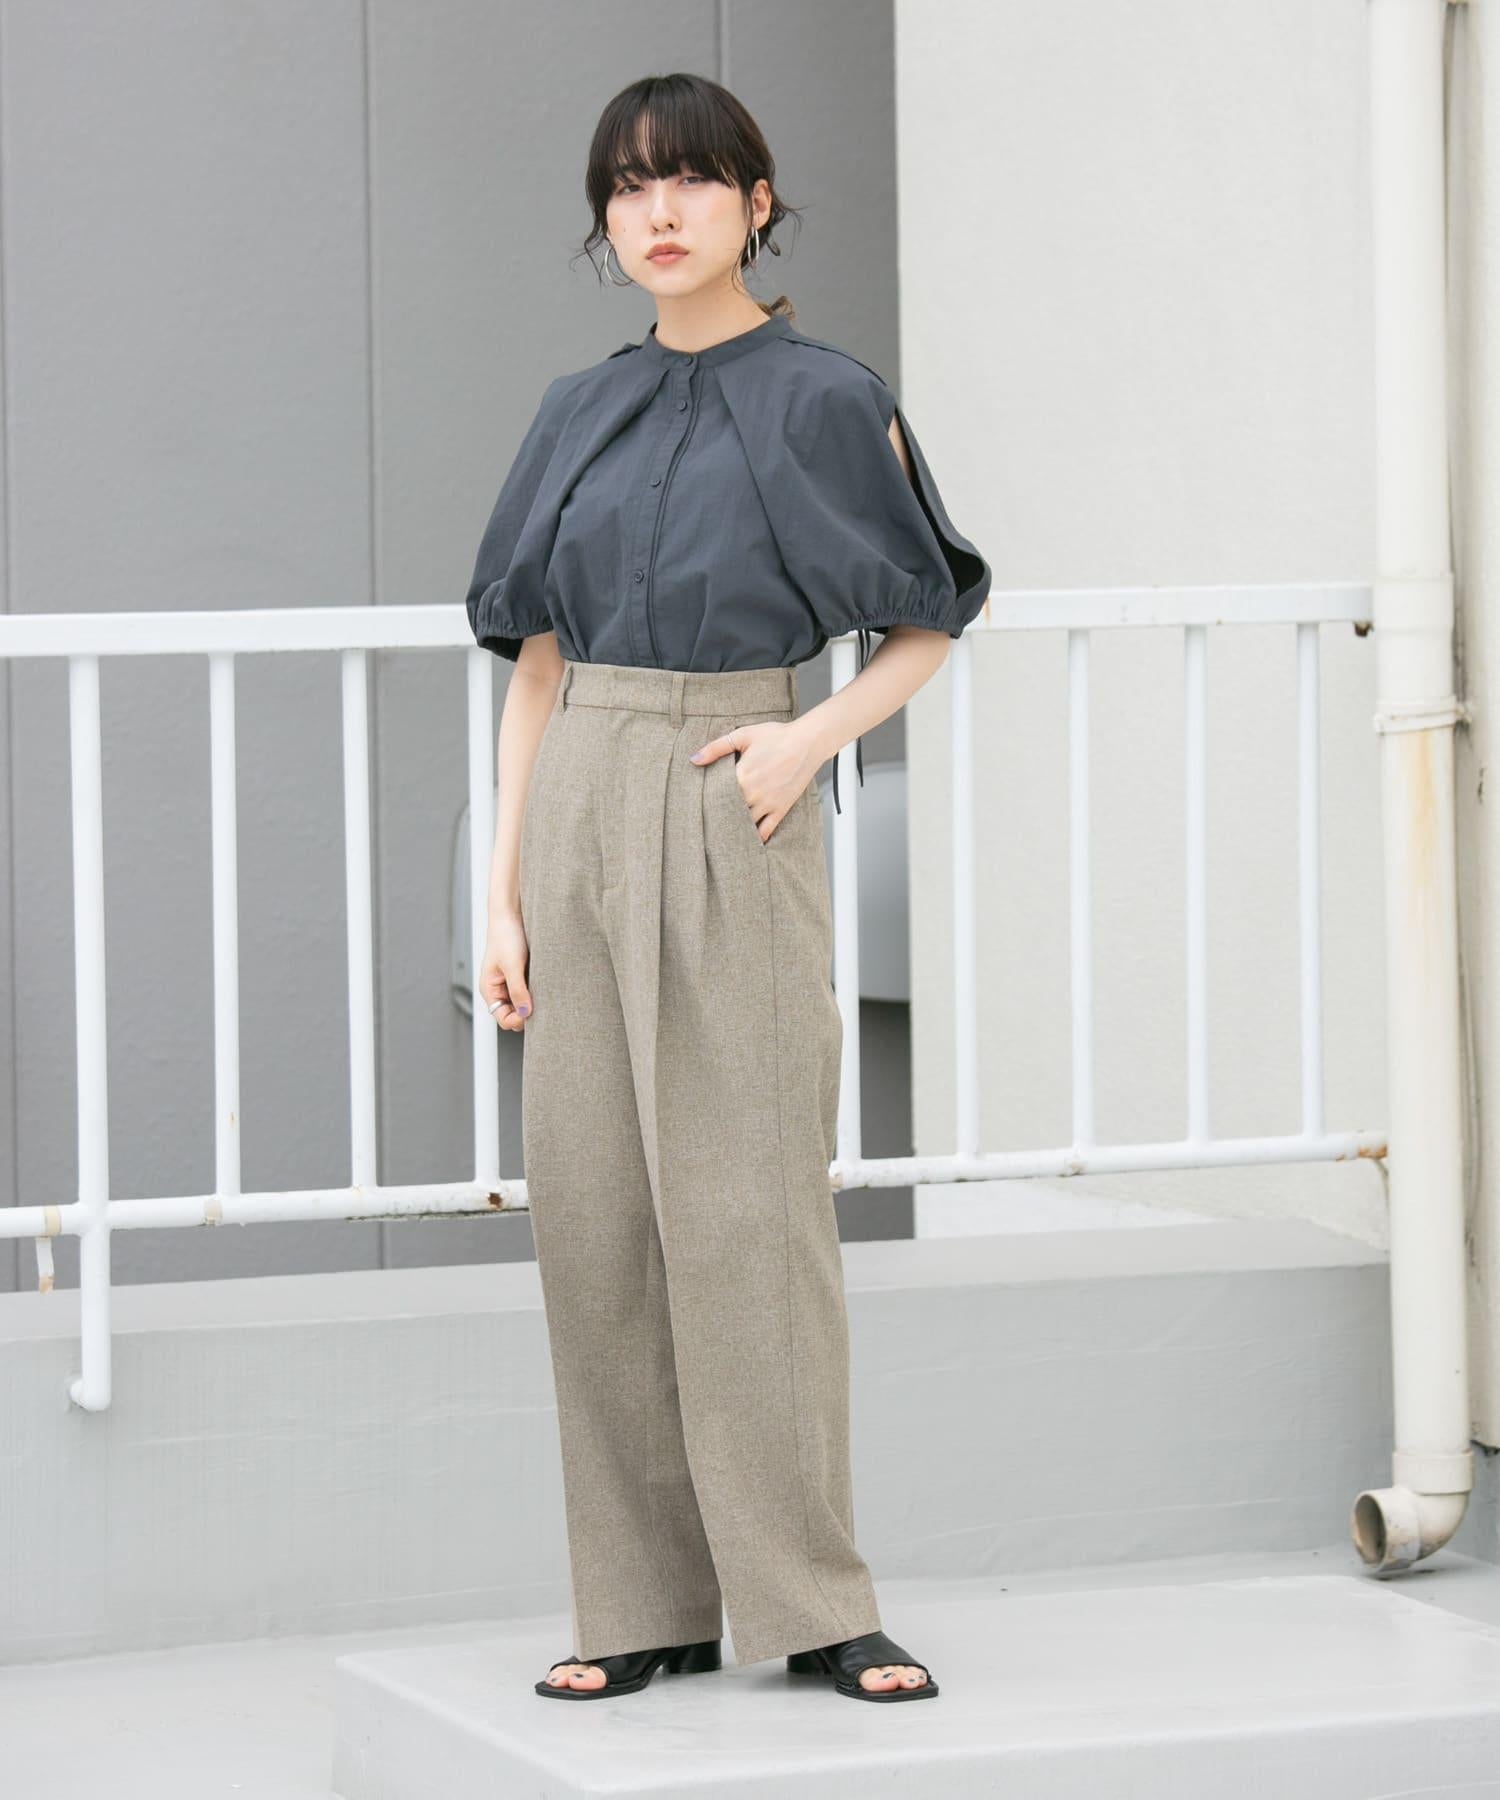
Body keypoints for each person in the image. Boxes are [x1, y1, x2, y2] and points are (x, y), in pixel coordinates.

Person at [466, 72, 989, 1706]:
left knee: (750, 1213)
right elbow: (536, 669)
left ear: (758, 203)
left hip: (732, 787)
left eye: (693, 181)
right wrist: (499, 892)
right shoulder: (576, 408)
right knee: (597, 1221)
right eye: (629, 189)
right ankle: (642, 1605)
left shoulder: (830, 397)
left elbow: (925, 618)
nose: (660, 213)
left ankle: (815, 1601)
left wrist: (806, 739)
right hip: (580, 793)